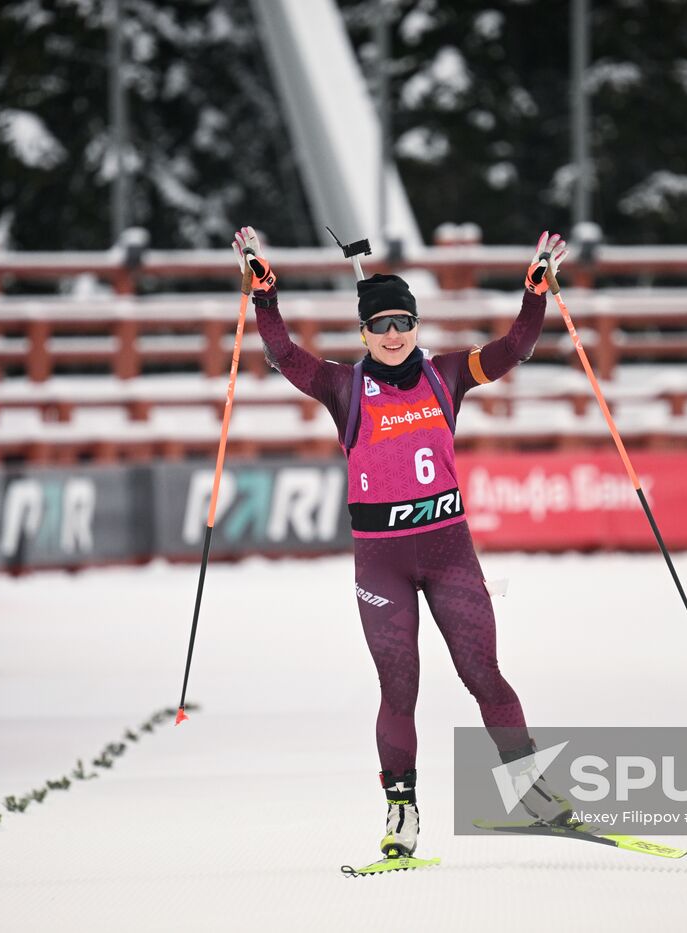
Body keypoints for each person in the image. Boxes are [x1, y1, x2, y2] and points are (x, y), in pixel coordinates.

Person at [232, 226, 574, 860]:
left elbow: (516, 348)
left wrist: (535, 293)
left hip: (450, 553)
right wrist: (265, 295)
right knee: (400, 690)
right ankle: (401, 812)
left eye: (403, 323)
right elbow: (283, 355)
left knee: (484, 674)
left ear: (416, 326)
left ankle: (529, 792)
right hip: (381, 564)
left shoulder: (448, 375)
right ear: (363, 333)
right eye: (380, 326)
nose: (393, 336)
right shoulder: (342, 387)